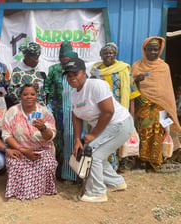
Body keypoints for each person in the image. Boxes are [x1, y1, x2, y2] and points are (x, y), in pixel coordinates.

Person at [66, 58, 134, 202]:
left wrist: (93, 134)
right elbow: (76, 116)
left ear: (84, 73)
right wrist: (78, 139)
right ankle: (117, 182)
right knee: (95, 152)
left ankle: (97, 192)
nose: (72, 78)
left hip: (119, 124)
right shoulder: (73, 94)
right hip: (107, 126)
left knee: (93, 155)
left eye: (75, 74)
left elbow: (108, 112)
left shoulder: (97, 85)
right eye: (69, 76)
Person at [132, 36, 181, 171]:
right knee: (142, 132)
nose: (153, 52)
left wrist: (169, 109)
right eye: (150, 50)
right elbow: (130, 87)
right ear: (144, 50)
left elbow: (167, 89)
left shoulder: (164, 67)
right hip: (142, 105)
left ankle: (153, 162)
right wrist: (137, 80)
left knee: (157, 134)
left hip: (160, 107)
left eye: (156, 50)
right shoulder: (137, 66)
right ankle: (139, 160)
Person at [3, 83, 58, 200]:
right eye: (25, 94)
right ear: (20, 96)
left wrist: (43, 128)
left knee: (48, 163)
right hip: (20, 149)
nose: (29, 97)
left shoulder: (44, 113)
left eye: (32, 94)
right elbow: (7, 135)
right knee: (16, 164)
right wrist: (22, 149)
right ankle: (23, 190)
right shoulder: (12, 112)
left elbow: (51, 136)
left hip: (42, 150)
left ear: (37, 96)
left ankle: (39, 188)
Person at [90, 42, 140, 171]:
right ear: (101, 55)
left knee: (114, 139)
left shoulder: (123, 70)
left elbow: (132, 95)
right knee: (100, 138)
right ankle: (98, 167)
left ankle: (113, 168)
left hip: (118, 112)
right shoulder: (95, 70)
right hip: (100, 112)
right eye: (105, 53)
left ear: (115, 54)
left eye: (111, 53)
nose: (108, 55)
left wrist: (131, 115)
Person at [44, 40, 78, 181]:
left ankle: (73, 173)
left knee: (72, 140)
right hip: (58, 111)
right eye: (63, 59)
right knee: (58, 141)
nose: (65, 63)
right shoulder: (54, 69)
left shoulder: (77, 71)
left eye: (68, 60)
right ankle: (57, 172)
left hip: (74, 112)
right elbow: (47, 89)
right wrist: (48, 107)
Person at [7, 42, 46, 108]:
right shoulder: (17, 72)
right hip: (23, 111)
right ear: (27, 56)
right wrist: (28, 87)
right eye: (35, 58)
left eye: (38, 58)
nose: (37, 61)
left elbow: (43, 94)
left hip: (39, 111)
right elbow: (11, 93)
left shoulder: (39, 72)